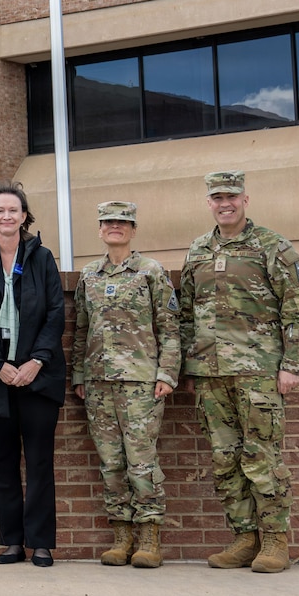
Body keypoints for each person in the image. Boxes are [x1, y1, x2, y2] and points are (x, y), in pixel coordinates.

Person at [177, 170, 299, 575]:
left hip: (258, 372)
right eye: (218, 197)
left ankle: (275, 540)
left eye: (232, 197)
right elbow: (186, 313)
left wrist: (291, 364)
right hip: (209, 374)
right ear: (209, 202)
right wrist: (190, 365)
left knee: (261, 457)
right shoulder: (199, 249)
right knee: (224, 459)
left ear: (245, 199)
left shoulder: (272, 246)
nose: (225, 203)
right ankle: (243, 538)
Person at [0, 182, 66, 567]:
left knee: (39, 462)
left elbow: (56, 314)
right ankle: (12, 542)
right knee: (2, 463)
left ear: (24, 216)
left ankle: (40, 543)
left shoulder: (41, 258)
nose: (6, 216)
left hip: (39, 376)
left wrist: (36, 360)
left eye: (13, 210)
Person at [68, 200, 180, 569]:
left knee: (141, 462)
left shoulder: (150, 272)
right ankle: (121, 536)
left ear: (133, 229)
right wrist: (80, 375)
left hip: (141, 384)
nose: (115, 227)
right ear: (100, 229)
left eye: (123, 222)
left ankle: (149, 537)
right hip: (99, 384)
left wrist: (167, 374)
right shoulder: (90, 274)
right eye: (108, 222)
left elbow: (169, 327)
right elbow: (82, 330)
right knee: (111, 463)